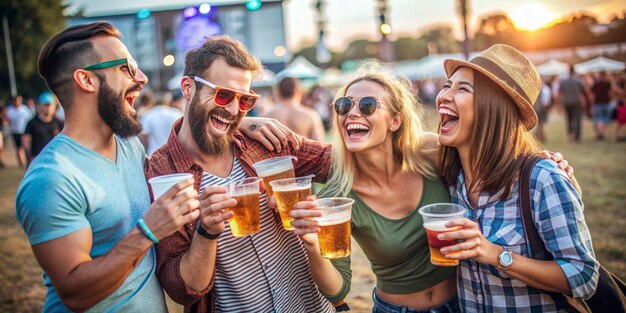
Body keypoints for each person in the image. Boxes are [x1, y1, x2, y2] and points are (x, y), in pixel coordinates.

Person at [15, 22, 201, 312]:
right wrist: (147, 232)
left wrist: (243, 125)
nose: (141, 79)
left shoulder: (128, 145)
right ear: (86, 80)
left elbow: (177, 158)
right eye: (126, 67)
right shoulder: (51, 177)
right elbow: (75, 293)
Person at [144, 36, 336, 312]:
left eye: (245, 100)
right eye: (223, 95)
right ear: (188, 88)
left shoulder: (264, 140)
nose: (235, 109)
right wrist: (206, 232)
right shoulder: (162, 172)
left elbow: (331, 163)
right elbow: (182, 290)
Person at [434, 44, 599, 311]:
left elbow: (584, 276)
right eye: (446, 85)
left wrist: (497, 255)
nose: (443, 96)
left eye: (462, 89)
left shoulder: (542, 178)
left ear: (494, 108)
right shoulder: (450, 178)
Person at [290, 63, 460, 313]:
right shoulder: (336, 196)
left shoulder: (429, 154)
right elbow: (338, 289)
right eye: (344, 106)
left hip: (464, 301)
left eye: (367, 105)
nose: (352, 113)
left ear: (395, 120)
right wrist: (313, 246)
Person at [264, 76, 326, 142]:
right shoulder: (311, 115)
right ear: (299, 92)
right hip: (302, 152)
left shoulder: (267, 115)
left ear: (278, 92)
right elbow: (319, 145)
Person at [22, 92, 64, 164]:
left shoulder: (59, 123)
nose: (49, 108)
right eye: (46, 105)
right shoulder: (31, 123)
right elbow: (26, 142)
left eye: (51, 105)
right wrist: (29, 159)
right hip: (37, 159)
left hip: (55, 159)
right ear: (39, 106)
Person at [557, 66, 588, 143]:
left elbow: (560, 94)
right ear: (574, 72)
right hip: (576, 102)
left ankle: (570, 135)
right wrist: (585, 102)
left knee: (569, 119)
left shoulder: (564, 82)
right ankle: (577, 136)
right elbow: (584, 93)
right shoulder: (579, 81)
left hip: (567, 102)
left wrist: (559, 105)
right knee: (577, 119)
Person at [7, 95, 33, 167]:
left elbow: (30, 119)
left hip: (24, 132)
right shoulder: (10, 110)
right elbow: (7, 120)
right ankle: (21, 164)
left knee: (25, 148)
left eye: (19, 100)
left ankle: (27, 162)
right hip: (15, 132)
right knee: (18, 149)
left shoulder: (25, 109)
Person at [590, 71, 616, 140]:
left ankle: (600, 133)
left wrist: (591, 104)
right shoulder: (607, 83)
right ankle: (601, 133)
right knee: (603, 119)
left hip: (598, 104)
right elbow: (610, 93)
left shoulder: (596, 83)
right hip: (605, 103)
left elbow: (592, 95)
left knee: (599, 119)